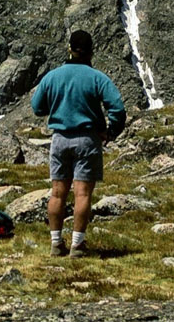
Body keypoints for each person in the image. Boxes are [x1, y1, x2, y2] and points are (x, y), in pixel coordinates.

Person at [30, 29, 126, 257]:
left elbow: (37, 107)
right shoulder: (97, 77)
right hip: (87, 139)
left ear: (69, 49)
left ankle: (56, 242)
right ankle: (77, 244)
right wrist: (111, 132)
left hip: (59, 139)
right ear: (91, 51)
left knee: (57, 193)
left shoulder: (52, 76)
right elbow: (118, 108)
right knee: (82, 194)